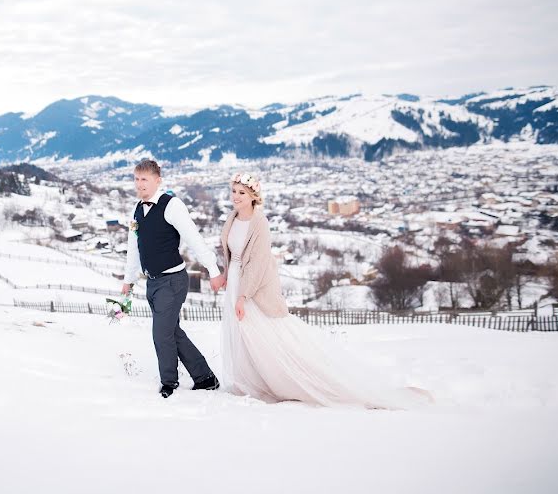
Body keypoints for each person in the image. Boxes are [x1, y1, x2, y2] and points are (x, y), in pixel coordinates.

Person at [220, 172, 432, 408]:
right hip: (237, 282)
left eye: (242, 193)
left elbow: (258, 262)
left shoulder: (259, 222)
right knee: (242, 335)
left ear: (253, 196)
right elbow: (233, 254)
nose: (236, 197)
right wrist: (226, 276)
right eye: (234, 191)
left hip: (252, 287)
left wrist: (243, 295)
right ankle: (249, 380)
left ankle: (282, 380)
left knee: (264, 335)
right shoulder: (232, 217)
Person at [122, 159, 226, 398]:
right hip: (152, 282)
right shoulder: (137, 208)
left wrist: (213, 270)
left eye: (144, 179)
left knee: (161, 333)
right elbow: (134, 248)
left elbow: (194, 239)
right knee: (171, 331)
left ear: (158, 180)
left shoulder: (172, 205)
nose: (139, 184)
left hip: (172, 281)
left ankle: (169, 382)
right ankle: (205, 378)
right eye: (136, 179)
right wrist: (129, 281)